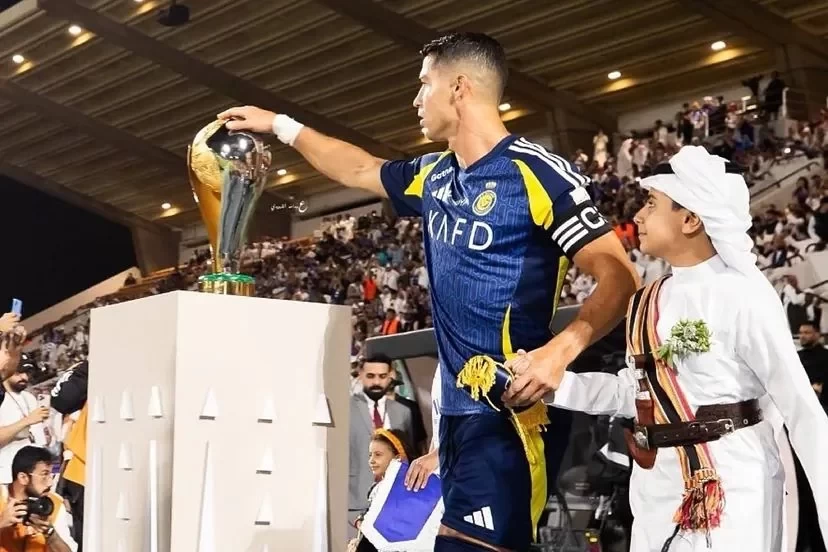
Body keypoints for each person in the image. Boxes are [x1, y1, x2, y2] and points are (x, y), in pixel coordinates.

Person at [218, 32, 637, 552]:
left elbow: (619, 275)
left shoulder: (534, 172)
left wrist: (560, 352)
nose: (416, 100)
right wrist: (280, 125)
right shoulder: (435, 176)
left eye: (424, 85)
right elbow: (359, 169)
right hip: (458, 417)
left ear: (459, 87)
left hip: (511, 413)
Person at [543, 146, 828, 551]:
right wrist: (554, 385)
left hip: (734, 486)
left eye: (651, 204)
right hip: (656, 485)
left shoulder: (742, 294)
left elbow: (801, 409)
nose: (637, 216)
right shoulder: (645, 300)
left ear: (692, 218)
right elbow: (634, 393)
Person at [349, 360, 415, 529]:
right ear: (361, 376)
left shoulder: (404, 411)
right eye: (371, 376)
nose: (377, 382)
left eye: (382, 376)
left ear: (390, 376)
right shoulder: (347, 408)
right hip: (355, 504)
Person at [348, 428, 416, 552]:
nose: (371, 460)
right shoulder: (378, 489)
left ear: (398, 457)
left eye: (378, 455)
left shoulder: (406, 492)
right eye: (370, 455)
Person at [0, 445, 77, 551]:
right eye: (44, 475)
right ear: (23, 478)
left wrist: (50, 534)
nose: (50, 483)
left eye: (51, 475)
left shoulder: (53, 505)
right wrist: (2, 522)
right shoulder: (1, 497)